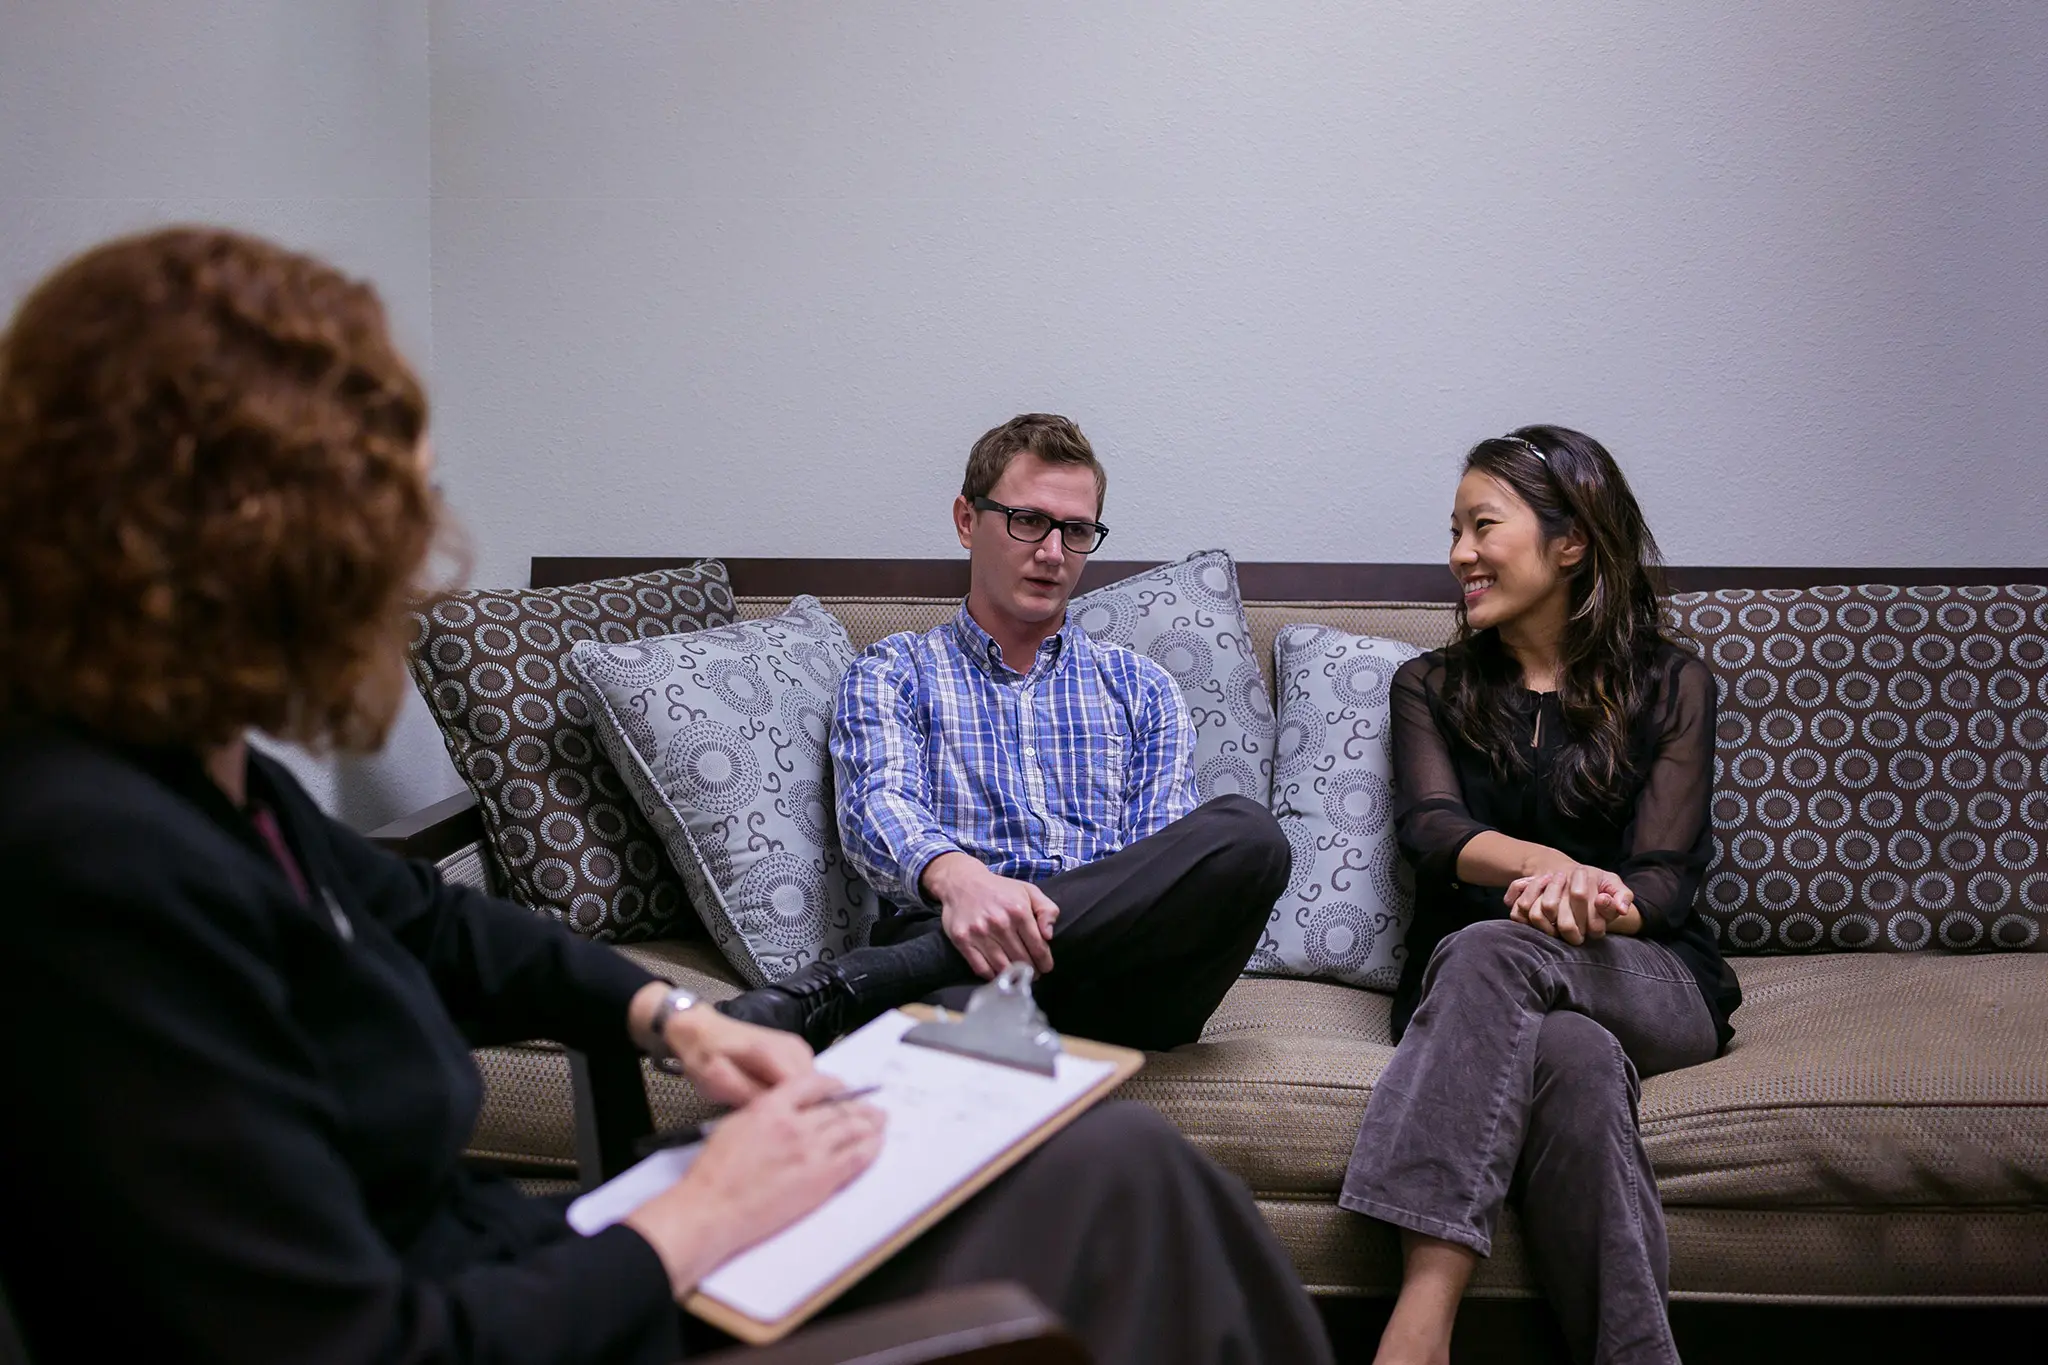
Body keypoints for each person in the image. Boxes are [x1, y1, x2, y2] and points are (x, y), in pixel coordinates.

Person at [0, 228, 1334, 1365]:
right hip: (557, 1296)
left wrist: (670, 1017)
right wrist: (697, 1214)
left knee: (1148, 1139)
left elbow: (438, 925)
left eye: (1076, 531)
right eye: (368, 495)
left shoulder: (218, 796)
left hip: (1069, 994)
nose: (409, 539)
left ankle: (850, 998)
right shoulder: (86, 868)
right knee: (1132, 1194)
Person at [1340, 427, 1741, 1365]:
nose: (1458, 555)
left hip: (1645, 973)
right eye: (1454, 531)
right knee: (1574, 1059)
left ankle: (1418, 1328)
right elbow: (1432, 829)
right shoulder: (1430, 685)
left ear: (1570, 543)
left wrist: (1588, 901)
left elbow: (1666, 880)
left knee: (1495, 948)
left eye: (1482, 525)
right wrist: (1545, 865)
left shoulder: (1671, 683)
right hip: (1480, 991)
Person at [718, 414, 1290, 1053]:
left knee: (1251, 836)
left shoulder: (1142, 686)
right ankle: (923, 973)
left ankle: (854, 984)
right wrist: (963, 881)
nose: (1052, 553)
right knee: (957, 1031)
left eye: (1076, 531)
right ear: (967, 520)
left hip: (1124, 982)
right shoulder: (894, 671)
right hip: (971, 965)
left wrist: (1060, 915)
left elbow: (1153, 865)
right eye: (1028, 522)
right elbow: (878, 807)